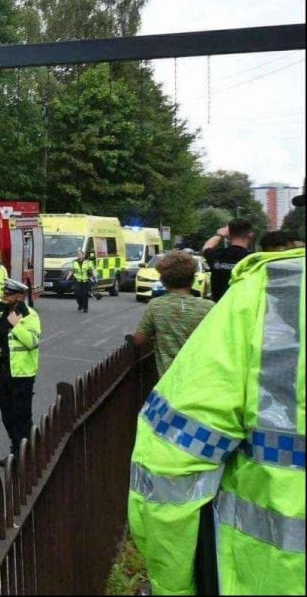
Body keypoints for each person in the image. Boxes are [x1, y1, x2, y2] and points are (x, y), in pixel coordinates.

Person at [127, 245, 304, 596]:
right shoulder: (209, 308)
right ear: (193, 277)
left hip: (189, 392)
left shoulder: (268, 292)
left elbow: (170, 469)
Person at [0, 278, 41, 466]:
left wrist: (17, 325)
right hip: (4, 373)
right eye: (4, 292)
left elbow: (32, 342)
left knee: (22, 417)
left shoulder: (30, 316)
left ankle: (26, 456)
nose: (4, 295)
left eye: (8, 293)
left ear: (19, 296)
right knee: (7, 415)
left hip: (22, 375)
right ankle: (16, 451)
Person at [130, 250, 214, 377]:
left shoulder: (156, 306)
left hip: (169, 382)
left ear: (163, 281)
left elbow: (139, 339)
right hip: (201, 379)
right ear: (192, 279)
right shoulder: (209, 307)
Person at [201, 218, 254, 302]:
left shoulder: (218, 256)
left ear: (229, 235)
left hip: (220, 310)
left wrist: (219, 235)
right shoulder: (253, 260)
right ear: (250, 234)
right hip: (246, 310)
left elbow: (206, 248)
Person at [65, 248, 97, 313]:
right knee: (77, 294)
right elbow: (71, 270)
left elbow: (93, 269)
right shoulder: (74, 262)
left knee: (85, 295)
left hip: (85, 280)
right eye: (78, 254)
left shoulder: (88, 262)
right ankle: (80, 304)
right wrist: (67, 278)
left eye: (80, 254)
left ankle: (85, 308)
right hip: (77, 280)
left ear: (83, 255)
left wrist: (95, 277)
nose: (79, 255)